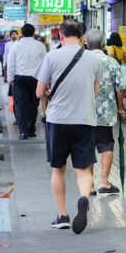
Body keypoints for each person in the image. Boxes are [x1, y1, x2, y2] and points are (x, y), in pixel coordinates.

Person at [35, 20, 102, 234]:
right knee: (82, 168)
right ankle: (83, 197)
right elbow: (95, 93)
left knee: (58, 168)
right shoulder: (94, 59)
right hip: (84, 119)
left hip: (58, 120)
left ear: (61, 36)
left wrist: (47, 93)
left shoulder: (51, 56)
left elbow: (39, 92)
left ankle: (62, 215)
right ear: (82, 37)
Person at [84, 29, 125, 195]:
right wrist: (120, 107)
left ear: (86, 43)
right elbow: (120, 88)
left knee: (88, 148)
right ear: (103, 44)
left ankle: (89, 186)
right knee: (106, 145)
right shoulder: (112, 62)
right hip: (106, 113)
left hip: (84, 113)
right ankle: (104, 182)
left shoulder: (82, 61)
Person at [8, 23, 47, 139]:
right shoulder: (40, 46)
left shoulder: (16, 45)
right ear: (33, 32)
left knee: (21, 105)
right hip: (36, 79)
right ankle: (31, 129)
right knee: (33, 105)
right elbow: (45, 63)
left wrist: (11, 79)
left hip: (19, 79)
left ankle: (23, 132)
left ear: (22, 33)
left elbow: (11, 63)